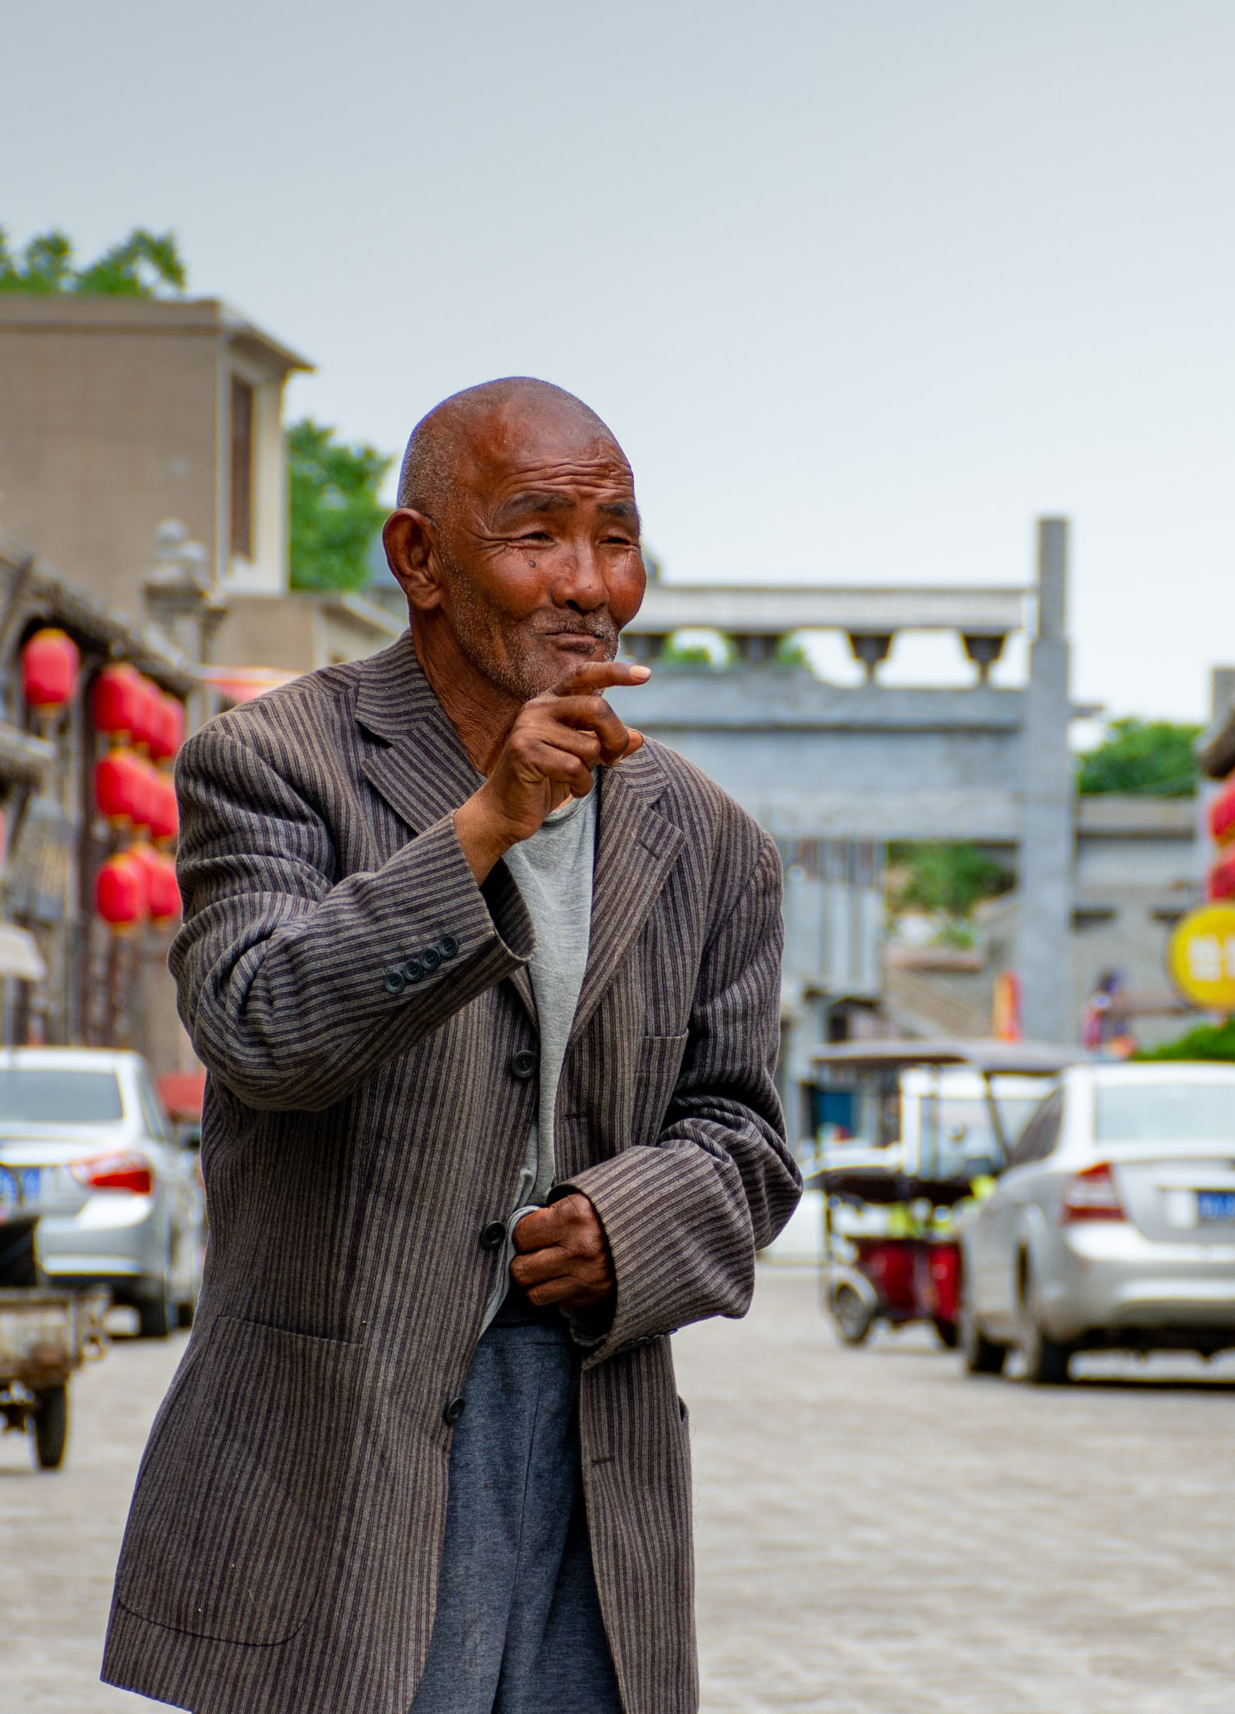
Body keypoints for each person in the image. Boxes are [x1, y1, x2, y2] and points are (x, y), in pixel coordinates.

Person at [102, 378, 797, 1714]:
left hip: (589, 1446)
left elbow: (747, 1141)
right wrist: (486, 823)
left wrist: (630, 1221)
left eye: (617, 538)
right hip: (335, 1456)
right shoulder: (273, 764)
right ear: (418, 557)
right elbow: (263, 1027)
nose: (588, 583)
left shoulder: (710, 842)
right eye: (538, 534)